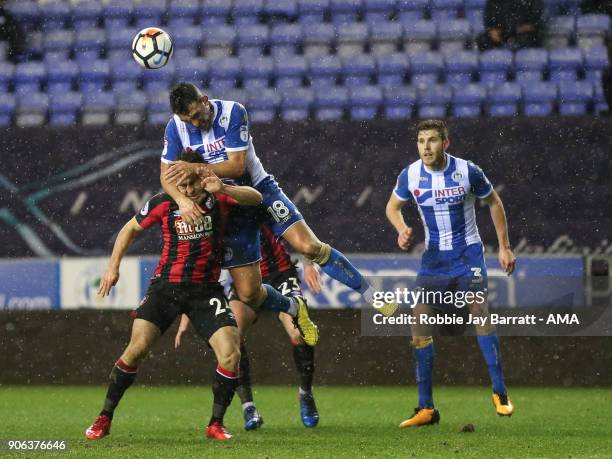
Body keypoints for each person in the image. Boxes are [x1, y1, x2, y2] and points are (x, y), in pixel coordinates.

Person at [84, 152, 316, 441]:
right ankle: (104, 417)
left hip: (206, 292)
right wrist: (112, 268)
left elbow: (256, 198)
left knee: (231, 353)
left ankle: (216, 423)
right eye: (183, 186)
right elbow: (129, 229)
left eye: (194, 184)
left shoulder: (219, 198)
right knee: (137, 349)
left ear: (202, 177)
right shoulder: (163, 203)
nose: (190, 191)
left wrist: (225, 188)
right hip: (165, 288)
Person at [159, 83, 380, 316]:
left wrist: (195, 168)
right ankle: (294, 308)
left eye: (197, 115)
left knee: (310, 246)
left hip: (260, 190)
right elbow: (166, 176)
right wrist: (181, 201)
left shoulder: (233, 112)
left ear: (205, 100)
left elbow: (236, 166)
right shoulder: (175, 128)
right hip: (230, 207)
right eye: (188, 120)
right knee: (248, 294)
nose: (195, 123)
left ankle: (373, 295)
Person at [385, 120, 517, 427]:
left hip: (468, 253)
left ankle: (499, 391)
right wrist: (402, 227)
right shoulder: (410, 174)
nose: (426, 147)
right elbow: (392, 207)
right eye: (421, 141)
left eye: (432, 140)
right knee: (418, 324)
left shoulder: (468, 171)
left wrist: (504, 246)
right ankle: (426, 408)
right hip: (434, 260)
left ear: (446, 143)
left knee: (479, 310)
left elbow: (494, 202)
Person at [177, 223, 323, 430]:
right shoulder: (213, 219)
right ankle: (249, 407)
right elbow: (199, 266)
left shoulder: (259, 204)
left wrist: (309, 262)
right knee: (231, 337)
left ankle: (305, 393)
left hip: (280, 275)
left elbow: (301, 232)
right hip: (245, 282)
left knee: (298, 332)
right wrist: (187, 311)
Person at [477, 0, 543, 51]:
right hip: (501, 32)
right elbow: (488, 17)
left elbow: (537, 16)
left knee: (530, 39)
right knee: (482, 40)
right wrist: (492, 30)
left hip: (524, 32)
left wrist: (528, 26)